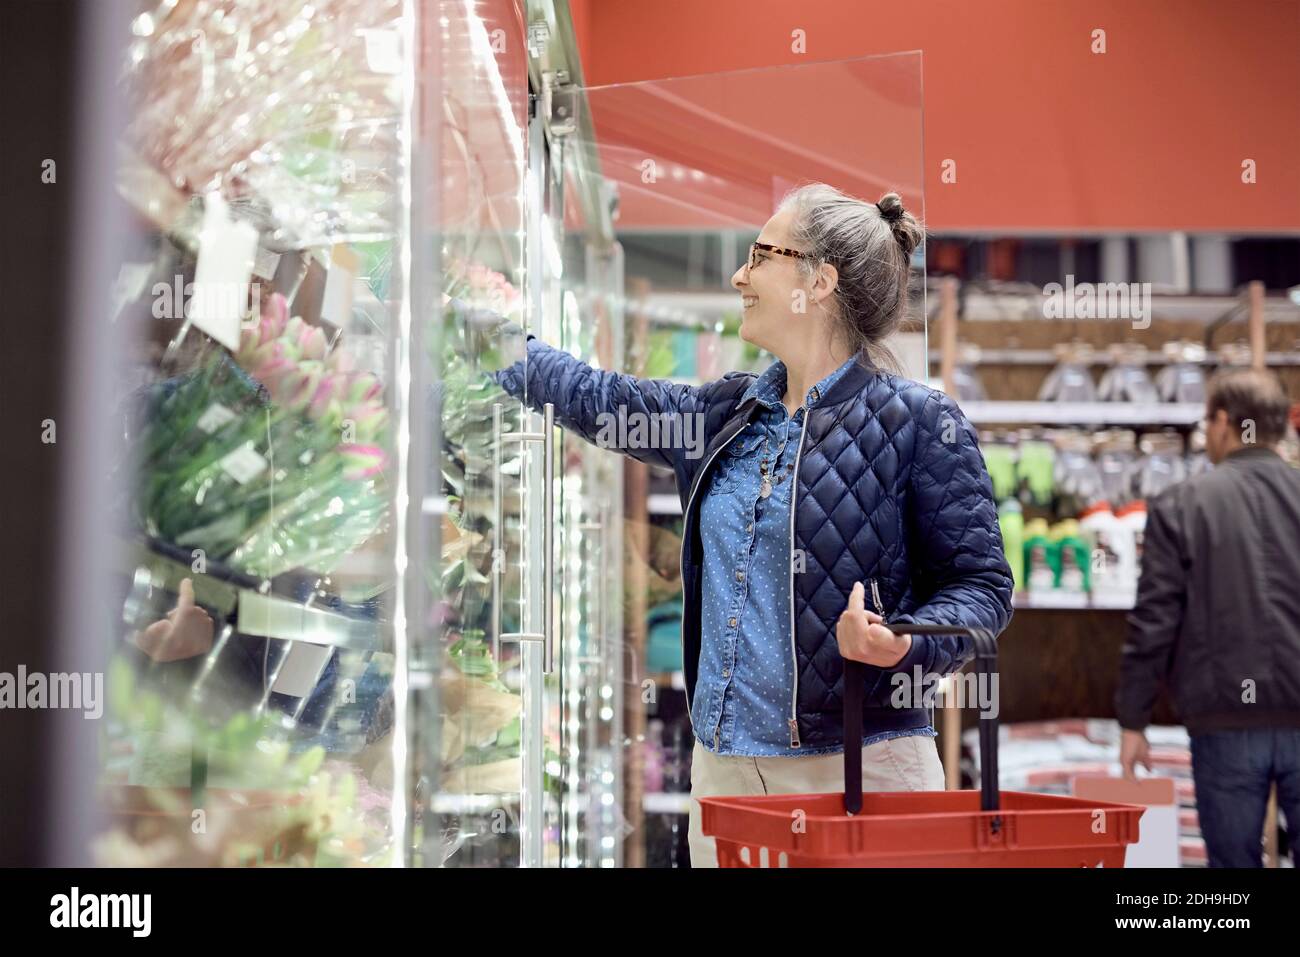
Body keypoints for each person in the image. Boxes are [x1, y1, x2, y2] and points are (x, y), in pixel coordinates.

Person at [494, 184, 1013, 866]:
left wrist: (902, 642)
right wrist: (498, 343)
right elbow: (602, 399)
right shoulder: (726, 413)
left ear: (819, 281)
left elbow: (982, 590)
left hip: (859, 770)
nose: (740, 275)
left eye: (759, 255)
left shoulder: (918, 423)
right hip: (726, 776)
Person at [1118, 368, 1300, 867]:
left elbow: (1155, 620)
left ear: (1224, 422)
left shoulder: (1182, 505)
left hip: (1226, 722)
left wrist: (1133, 720)